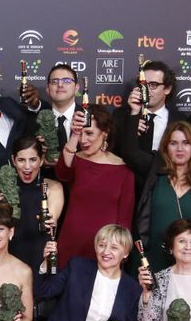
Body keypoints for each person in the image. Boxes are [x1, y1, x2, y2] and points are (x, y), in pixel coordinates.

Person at [128, 121, 191, 268]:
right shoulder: (154, 175)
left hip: (187, 262)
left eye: (186, 143)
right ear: (166, 147)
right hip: (150, 258)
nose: (180, 149)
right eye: (173, 143)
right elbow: (128, 152)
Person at [55, 108, 135, 264]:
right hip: (71, 243)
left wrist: (118, 252)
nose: (83, 140)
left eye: (89, 133)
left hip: (105, 250)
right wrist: (74, 135)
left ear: (105, 133)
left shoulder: (124, 170)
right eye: (80, 134)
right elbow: (62, 173)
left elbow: (125, 218)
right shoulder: (76, 160)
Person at [0, 134, 64, 270]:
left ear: (41, 161)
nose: (27, 166)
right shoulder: (3, 190)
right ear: (14, 160)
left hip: (41, 256)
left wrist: (50, 219)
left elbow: (51, 216)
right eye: (21, 160)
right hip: (10, 260)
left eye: (33, 160)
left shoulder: (53, 188)